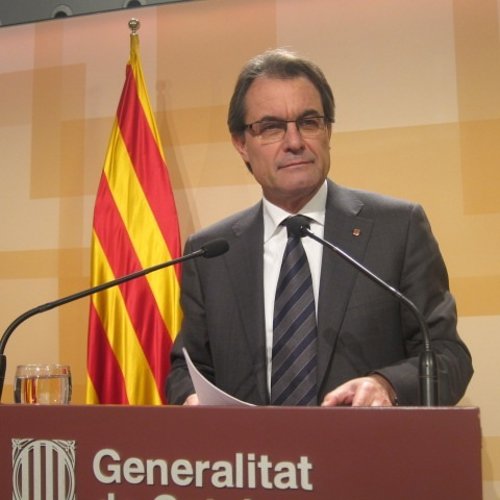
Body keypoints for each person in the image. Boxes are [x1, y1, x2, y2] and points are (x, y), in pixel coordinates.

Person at [166, 48, 473, 407]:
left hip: (364, 442)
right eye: (271, 127)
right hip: (248, 445)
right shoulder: (211, 253)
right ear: (241, 144)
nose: (295, 142)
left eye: (309, 122)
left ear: (327, 131)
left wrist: (387, 385)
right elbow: (186, 368)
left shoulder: (397, 230)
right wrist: (190, 398)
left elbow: (448, 356)